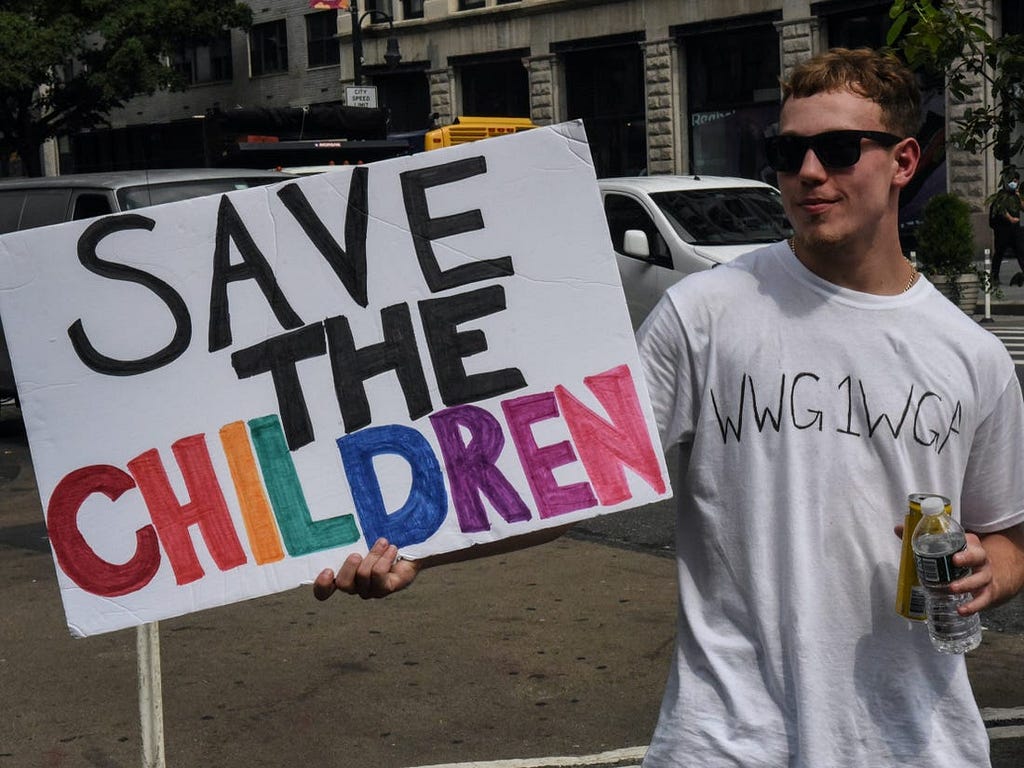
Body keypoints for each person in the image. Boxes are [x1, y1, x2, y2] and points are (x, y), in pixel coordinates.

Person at [314, 48, 1024, 767]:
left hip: (913, 745)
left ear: (903, 162)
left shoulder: (971, 356)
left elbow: (1009, 538)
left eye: (839, 150)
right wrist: (411, 540)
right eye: (787, 152)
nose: (809, 173)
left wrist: (987, 571)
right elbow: (569, 474)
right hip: (726, 742)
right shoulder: (708, 312)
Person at [988, 171, 1023, 285]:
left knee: (1021, 252)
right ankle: (994, 277)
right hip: (1003, 230)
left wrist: (1019, 196)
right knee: (999, 253)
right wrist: (1011, 219)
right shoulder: (1002, 195)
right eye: (1012, 181)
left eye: (1016, 181)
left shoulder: (1016, 195)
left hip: (1015, 230)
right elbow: (1001, 210)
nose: (1014, 183)